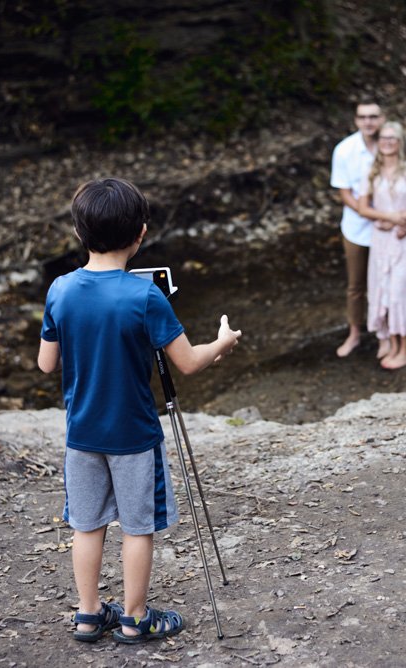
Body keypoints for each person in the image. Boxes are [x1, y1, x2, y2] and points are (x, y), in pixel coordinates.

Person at [37, 177, 242, 645]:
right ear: (141, 234)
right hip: (134, 436)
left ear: (77, 233)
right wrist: (223, 343)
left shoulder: (60, 289)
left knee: (86, 526)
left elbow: (47, 362)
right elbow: (188, 363)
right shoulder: (146, 296)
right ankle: (134, 618)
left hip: (81, 434)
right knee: (137, 528)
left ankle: (88, 615)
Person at [330, 101, 406, 357]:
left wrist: (403, 220)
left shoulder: (396, 145)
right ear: (356, 120)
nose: (369, 122)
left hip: (393, 233)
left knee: (386, 284)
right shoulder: (344, 151)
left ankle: (386, 336)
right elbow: (345, 193)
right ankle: (355, 334)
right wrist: (377, 217)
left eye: (374, 117)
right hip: (358, 229)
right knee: (357, 284)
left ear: (382, 118)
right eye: (363, 117)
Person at [357, 121, 406, 370]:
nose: (388, 142)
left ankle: (405, 349)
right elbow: (362, 206)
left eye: (393, 138)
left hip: (405, 237)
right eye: (384, 138)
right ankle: (389, 341)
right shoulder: (371, 169)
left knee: (401, 290)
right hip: (381, 237)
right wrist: (389, 218)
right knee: (383, 288)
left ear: (400, 143)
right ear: (378, 142)